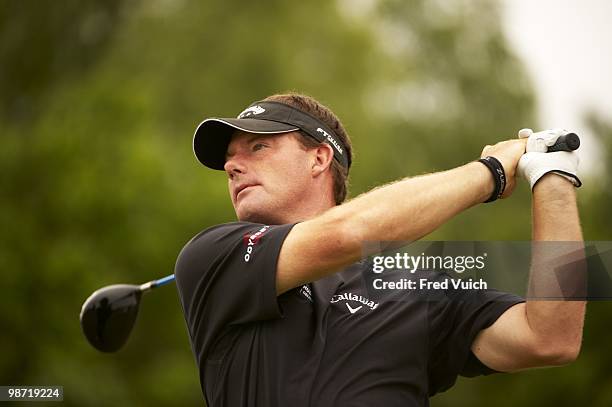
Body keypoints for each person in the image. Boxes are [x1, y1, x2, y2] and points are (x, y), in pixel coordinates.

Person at [174, 93, 585, 406]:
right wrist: (490, 173)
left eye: (257, 147)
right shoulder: (213, 255)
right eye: (229, 158)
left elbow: (552, 337)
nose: (232, 165)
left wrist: (554, 181)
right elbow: (348, 233)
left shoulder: (417, 285)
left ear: (319, 158)